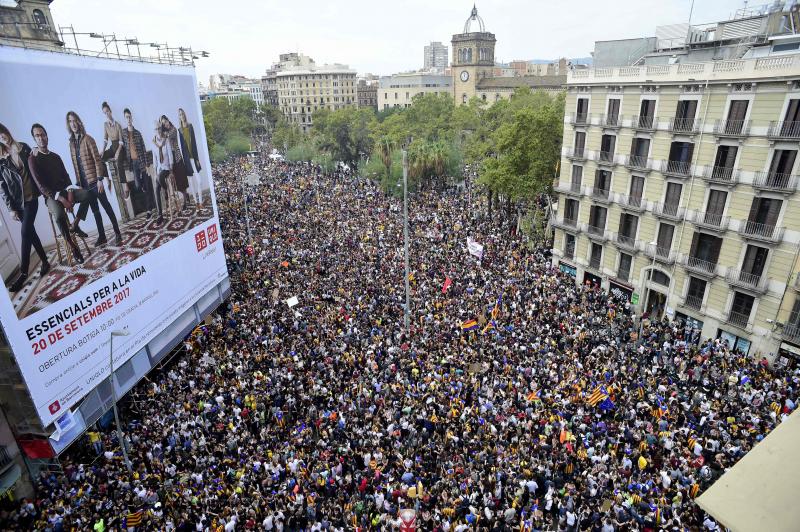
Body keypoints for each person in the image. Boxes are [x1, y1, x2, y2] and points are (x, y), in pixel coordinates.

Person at [27, 123, 94, 264]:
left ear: (47, 136)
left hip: (65, 191)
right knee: (58, 214)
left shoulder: (55, 157)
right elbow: (40, 185)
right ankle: (73, 247)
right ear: (34, 139)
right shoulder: (33, 158)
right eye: (37, 136)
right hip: (50, 196)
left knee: (88, 194)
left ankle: (75, 225)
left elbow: (66, 176)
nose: (41, 138)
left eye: (42, 134)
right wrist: (62, 200)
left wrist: (69, 193)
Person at [0, 123, 49, 291]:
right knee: (30, 232)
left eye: (2, 133)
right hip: (17, 203)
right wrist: (10, 208)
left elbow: (37, 167)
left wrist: (36, 153)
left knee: (25, 232)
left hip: (31, 197)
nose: (2, 137)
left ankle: (23, 273)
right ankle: (45, 261)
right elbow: (3, 188)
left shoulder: (24, 148)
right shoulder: (1, 159)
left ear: (6, 131)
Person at [66, 111, 123, 246]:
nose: (73, 124)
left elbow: (98, 161)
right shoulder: (71, 144)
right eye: (70, 121)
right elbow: (76, 165)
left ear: (79, 122)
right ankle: (102, 236)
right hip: (85, 185)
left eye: (75, 120)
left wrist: (100, 180)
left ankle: (117, 233)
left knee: (107, 207)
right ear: (68, 124)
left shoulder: (88, 139)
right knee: (95, 211)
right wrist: (79, 183)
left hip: (95, 182)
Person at [120, 108, 155, 218]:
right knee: (137, 185)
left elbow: (144, 149)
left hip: (141, 162)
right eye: (126, 117)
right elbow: (122, 146)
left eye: (129, 117)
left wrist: (147, 164)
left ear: (132, 118)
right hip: (133, 163)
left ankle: (149, 210)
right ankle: (143, 186)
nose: (128, 119)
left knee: (147, 186)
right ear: (125, 119)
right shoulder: (123, 133)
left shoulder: (138, 133)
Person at [100, 102, 130, 223]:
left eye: (107, 111)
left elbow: (121, 141)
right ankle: (108, 179)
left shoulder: (118, 125)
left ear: (110, 111)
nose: (106, 114)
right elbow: (105, 139)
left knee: (118, 162)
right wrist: (102, 150)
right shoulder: (105, 125)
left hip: (120, 147)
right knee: (100, 158)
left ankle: (125, 186)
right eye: (104, 113)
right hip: (112, 146)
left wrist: (117, 152)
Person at [159, 115, 189, 211]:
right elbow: (162, 141)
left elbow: (166, 138)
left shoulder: (173, 129)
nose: (165, 124)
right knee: (176, 182)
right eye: (163, 123)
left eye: (165, 121)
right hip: (171, 161)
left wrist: (163, 134)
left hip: (177, 158)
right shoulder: (165, 133)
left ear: (168, 120)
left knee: (182, 181)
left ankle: (185, 202)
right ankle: (186, 195)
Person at [177, 108, 203, 207]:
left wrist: (197, 159)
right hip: (187, 160)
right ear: (179, 117)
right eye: (180, 114)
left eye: (183, 114)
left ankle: (201, 202)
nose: (182, 116)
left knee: (199, 181)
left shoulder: (190, 126)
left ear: (185, 115)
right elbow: (181, 147)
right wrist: (183, 162)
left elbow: (194, 143)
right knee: (191, 183)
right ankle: (196, 203)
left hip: (193, 158)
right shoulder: (180, 130)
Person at [152, 122, 174, 225]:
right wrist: (155, 173)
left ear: (161, 129)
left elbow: (170, 155)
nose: (158, 130)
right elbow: (155, 159)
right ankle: (160, 215)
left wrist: (171, 169)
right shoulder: (153, 142)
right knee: (156, 188)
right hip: (159, 169)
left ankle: (166, 190)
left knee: (160, 177)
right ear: (154, 131)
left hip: (166, 168)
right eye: (156, 129)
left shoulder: (166, 140)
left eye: (159, 128)